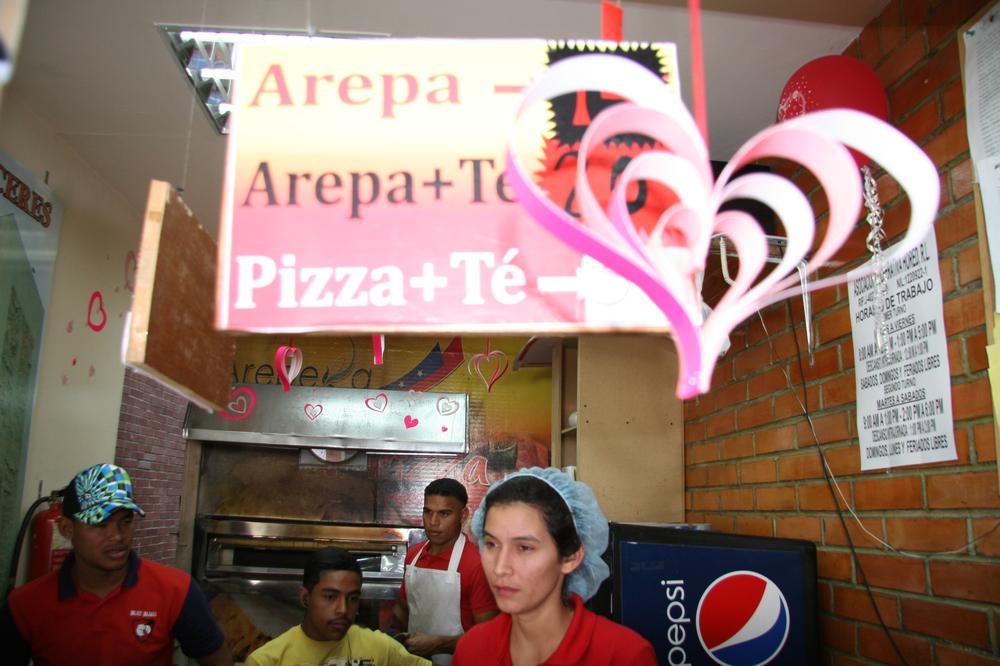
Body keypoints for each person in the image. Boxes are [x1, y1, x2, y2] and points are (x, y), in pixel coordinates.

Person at [0, 463, 232, 666]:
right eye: (101, 524)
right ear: (67, 529)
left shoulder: (176, 591)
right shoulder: (26, 606)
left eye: (126, 521)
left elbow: (218, 660)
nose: (118, 536)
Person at [453, 467, 656, 666]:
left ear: (571, 557)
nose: (500, 568)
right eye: (491, 544)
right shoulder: (472, 650)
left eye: (524, 548)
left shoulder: (623, 656)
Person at [246, 546, 430, 665]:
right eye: (330, 597)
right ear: (305, 598)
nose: (343, 609)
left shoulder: (379, 647)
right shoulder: (268, 661)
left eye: (352, 598)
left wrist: (445, 642)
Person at [394, 478, 498, 663]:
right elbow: (403, 610)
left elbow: (488, 637)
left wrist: (439, 643)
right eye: (428, 512)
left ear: (463, 515)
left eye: (444, 514)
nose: (433, 522)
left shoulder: (476, 565)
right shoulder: (413, 556)